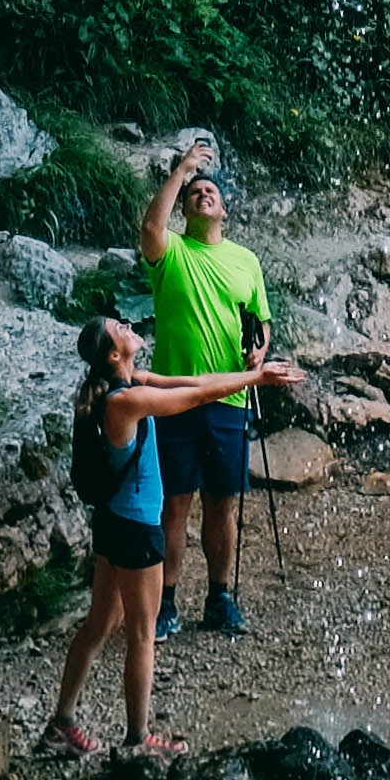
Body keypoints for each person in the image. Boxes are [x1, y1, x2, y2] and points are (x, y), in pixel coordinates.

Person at [42, 308, 264, 752]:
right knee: (142, 636)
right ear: (111, 355)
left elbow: (196, 385)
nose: (127, 327)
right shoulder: (125, 402)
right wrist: (257, 382)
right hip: (137, 530)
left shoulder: (126, 387)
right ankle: (138, 740)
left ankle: (61, 725)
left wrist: (249, 373)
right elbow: (196, 401)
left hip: (111, 523)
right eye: (118, 330)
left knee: (99, 624)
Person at [136, 129, 291, 635]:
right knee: (175, 501)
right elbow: (148, 226)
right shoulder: (172, 250)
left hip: (230, 393)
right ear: (185, 207)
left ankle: (220, 598)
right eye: (195, 192)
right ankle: (166, 602)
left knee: (223, 501)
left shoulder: (246, 261)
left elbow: (262, 320)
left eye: (211, 191)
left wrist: (260, 348)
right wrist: (181, 170)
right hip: (175, 395)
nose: (204, 194)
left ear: (224, 210)